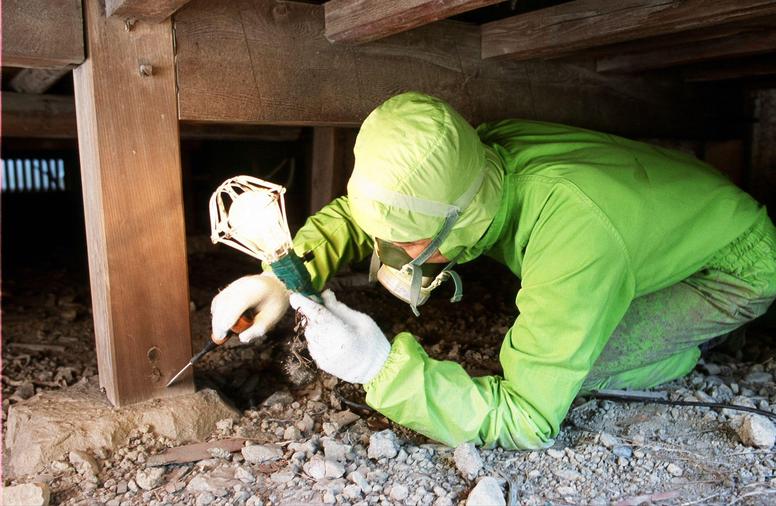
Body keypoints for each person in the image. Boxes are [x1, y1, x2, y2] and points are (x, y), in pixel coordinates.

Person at [211, 92, 776, 449]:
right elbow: (380, 214)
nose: (386, 250)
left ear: (456, 224)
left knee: (582, 365)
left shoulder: (572, 238)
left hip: (733, 264)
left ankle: (704, 343)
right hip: (667, 206)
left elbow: (529, 417)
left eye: (401, 242)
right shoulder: (469, 161)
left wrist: (381, 368)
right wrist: (279, 276)